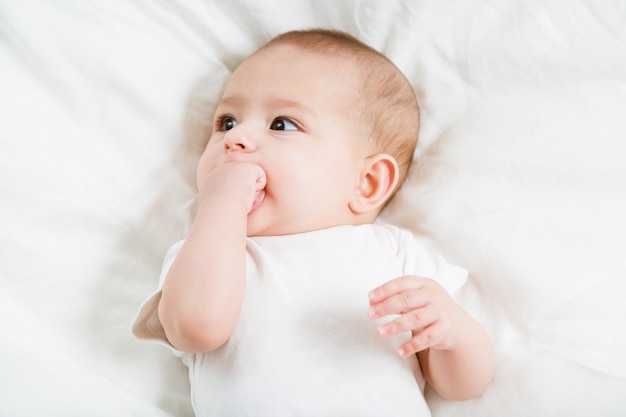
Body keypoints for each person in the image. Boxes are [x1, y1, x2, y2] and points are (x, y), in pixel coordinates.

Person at [132, 29, 494, 416]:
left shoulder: (390, 249)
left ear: (367, 183)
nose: (236, 138)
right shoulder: (203, 252)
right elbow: (196, 328)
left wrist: (451, 333)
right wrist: (221, 205)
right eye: (226, 122)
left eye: (282, 124)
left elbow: (461, 386)